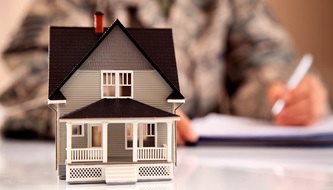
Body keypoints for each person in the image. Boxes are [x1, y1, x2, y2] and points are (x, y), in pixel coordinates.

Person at [0, 0, 329, 143]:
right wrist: (110, 110)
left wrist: (287, 97)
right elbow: (27, 79)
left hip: (212, 174)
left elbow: (265, 65)